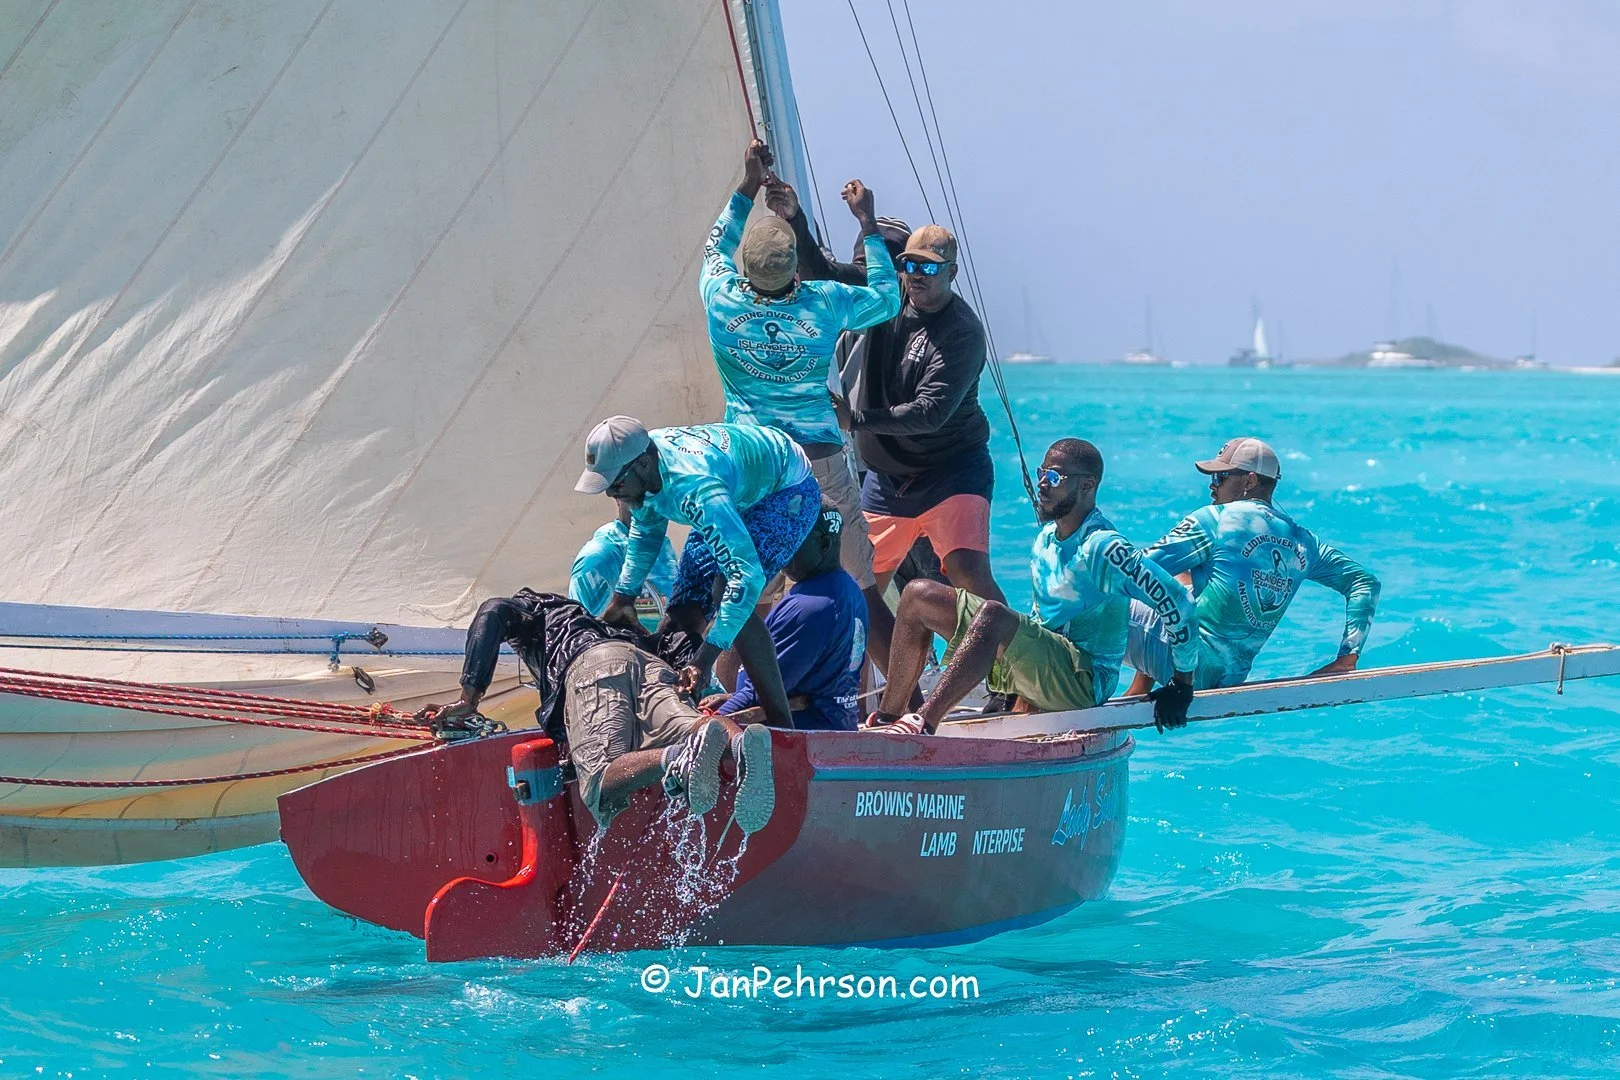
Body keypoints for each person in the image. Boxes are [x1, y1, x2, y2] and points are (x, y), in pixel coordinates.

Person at [701, 141, 901, 672]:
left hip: (754, 466)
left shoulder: (720, 296)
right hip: (819, 464)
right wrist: (868, 225)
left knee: (747, 598)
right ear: (794, 271)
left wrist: (747, 185)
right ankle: (910, 709)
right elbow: (887, 297)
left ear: (745, 270)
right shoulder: (824, 300)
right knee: (861, 589)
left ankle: (716, 704)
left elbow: (714, 246)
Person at [866, 439, 1198, 735]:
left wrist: (1181, 684)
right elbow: (1043, 624)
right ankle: (889, 717)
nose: (1042, 484)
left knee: (994, 615)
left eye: (1054, 478)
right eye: (1042, 474)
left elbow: (1179, 603)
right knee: (918, 595)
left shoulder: (1104, 548)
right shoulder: (1045, 540)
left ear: (1088, 485)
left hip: (1084, 681)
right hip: (1049, 664)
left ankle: (922, 725)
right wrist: (1016, 689)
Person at [414, 589, 775, 833]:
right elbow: (677, 642)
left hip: (594, 667)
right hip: (647, 664)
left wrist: (468, 701)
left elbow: (493, 610)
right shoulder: (599, 623)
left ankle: (678, 758)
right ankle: (742, 746)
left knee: (601, 781)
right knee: (697, 725)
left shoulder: (539, 613)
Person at [576, 417, 820, 730]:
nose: (612, 495)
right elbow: (647, 528)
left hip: (785, 491)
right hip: (733, 489)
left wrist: (704, 661)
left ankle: (783, 726)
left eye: (616, 484)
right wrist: (624, 596)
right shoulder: (645, 468)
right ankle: (675, 717)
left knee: (724, 589)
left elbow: (746, 577)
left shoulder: (695, 487)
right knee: (683, 609)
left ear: (643, 464)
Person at [832, 222, 1007, 608]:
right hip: (887, 478)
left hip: (952, 470)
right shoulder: (887, 300)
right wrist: (850, 221)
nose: (916, 276)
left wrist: (856, 420)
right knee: (857, 586)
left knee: (969, 576)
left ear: (952, 272)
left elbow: (931, 412)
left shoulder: (961, 331)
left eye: (929, 268)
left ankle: (1019, 666)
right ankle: (865, 668)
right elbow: (833, 276)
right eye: (910, 265)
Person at [1125, 437, 1381, 695]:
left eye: (1221, 477)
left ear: (1250, 481)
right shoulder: (1305, 542)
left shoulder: (1216, 520)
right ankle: (1135, 691)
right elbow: (1364, 582)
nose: (1212, 486)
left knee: (1092, 594)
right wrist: (1347, 658)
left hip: (1182, 665)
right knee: (1184, 576)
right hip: (1229, 676)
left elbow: (1128, 571)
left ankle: (1086, 700)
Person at [713, 501, 868, 731]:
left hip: (800, 739)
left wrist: (706, 723)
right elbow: (813, 681)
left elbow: (761, 694)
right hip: (831, 726)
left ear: (824, 543)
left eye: (791, 541)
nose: (781, 550)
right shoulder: (846, 588)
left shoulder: (811, 608)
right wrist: (733, 698)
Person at [762, 178, 912, 287]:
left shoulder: (897, 293)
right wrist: (794, 216)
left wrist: (794, 217)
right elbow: (821, 269)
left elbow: (821, 275)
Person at [568, 498, 678, 618]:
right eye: (638, 485)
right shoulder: (599, 556)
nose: (650, 497)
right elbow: (580, 629)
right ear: (617, 495)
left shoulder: (662, 546)